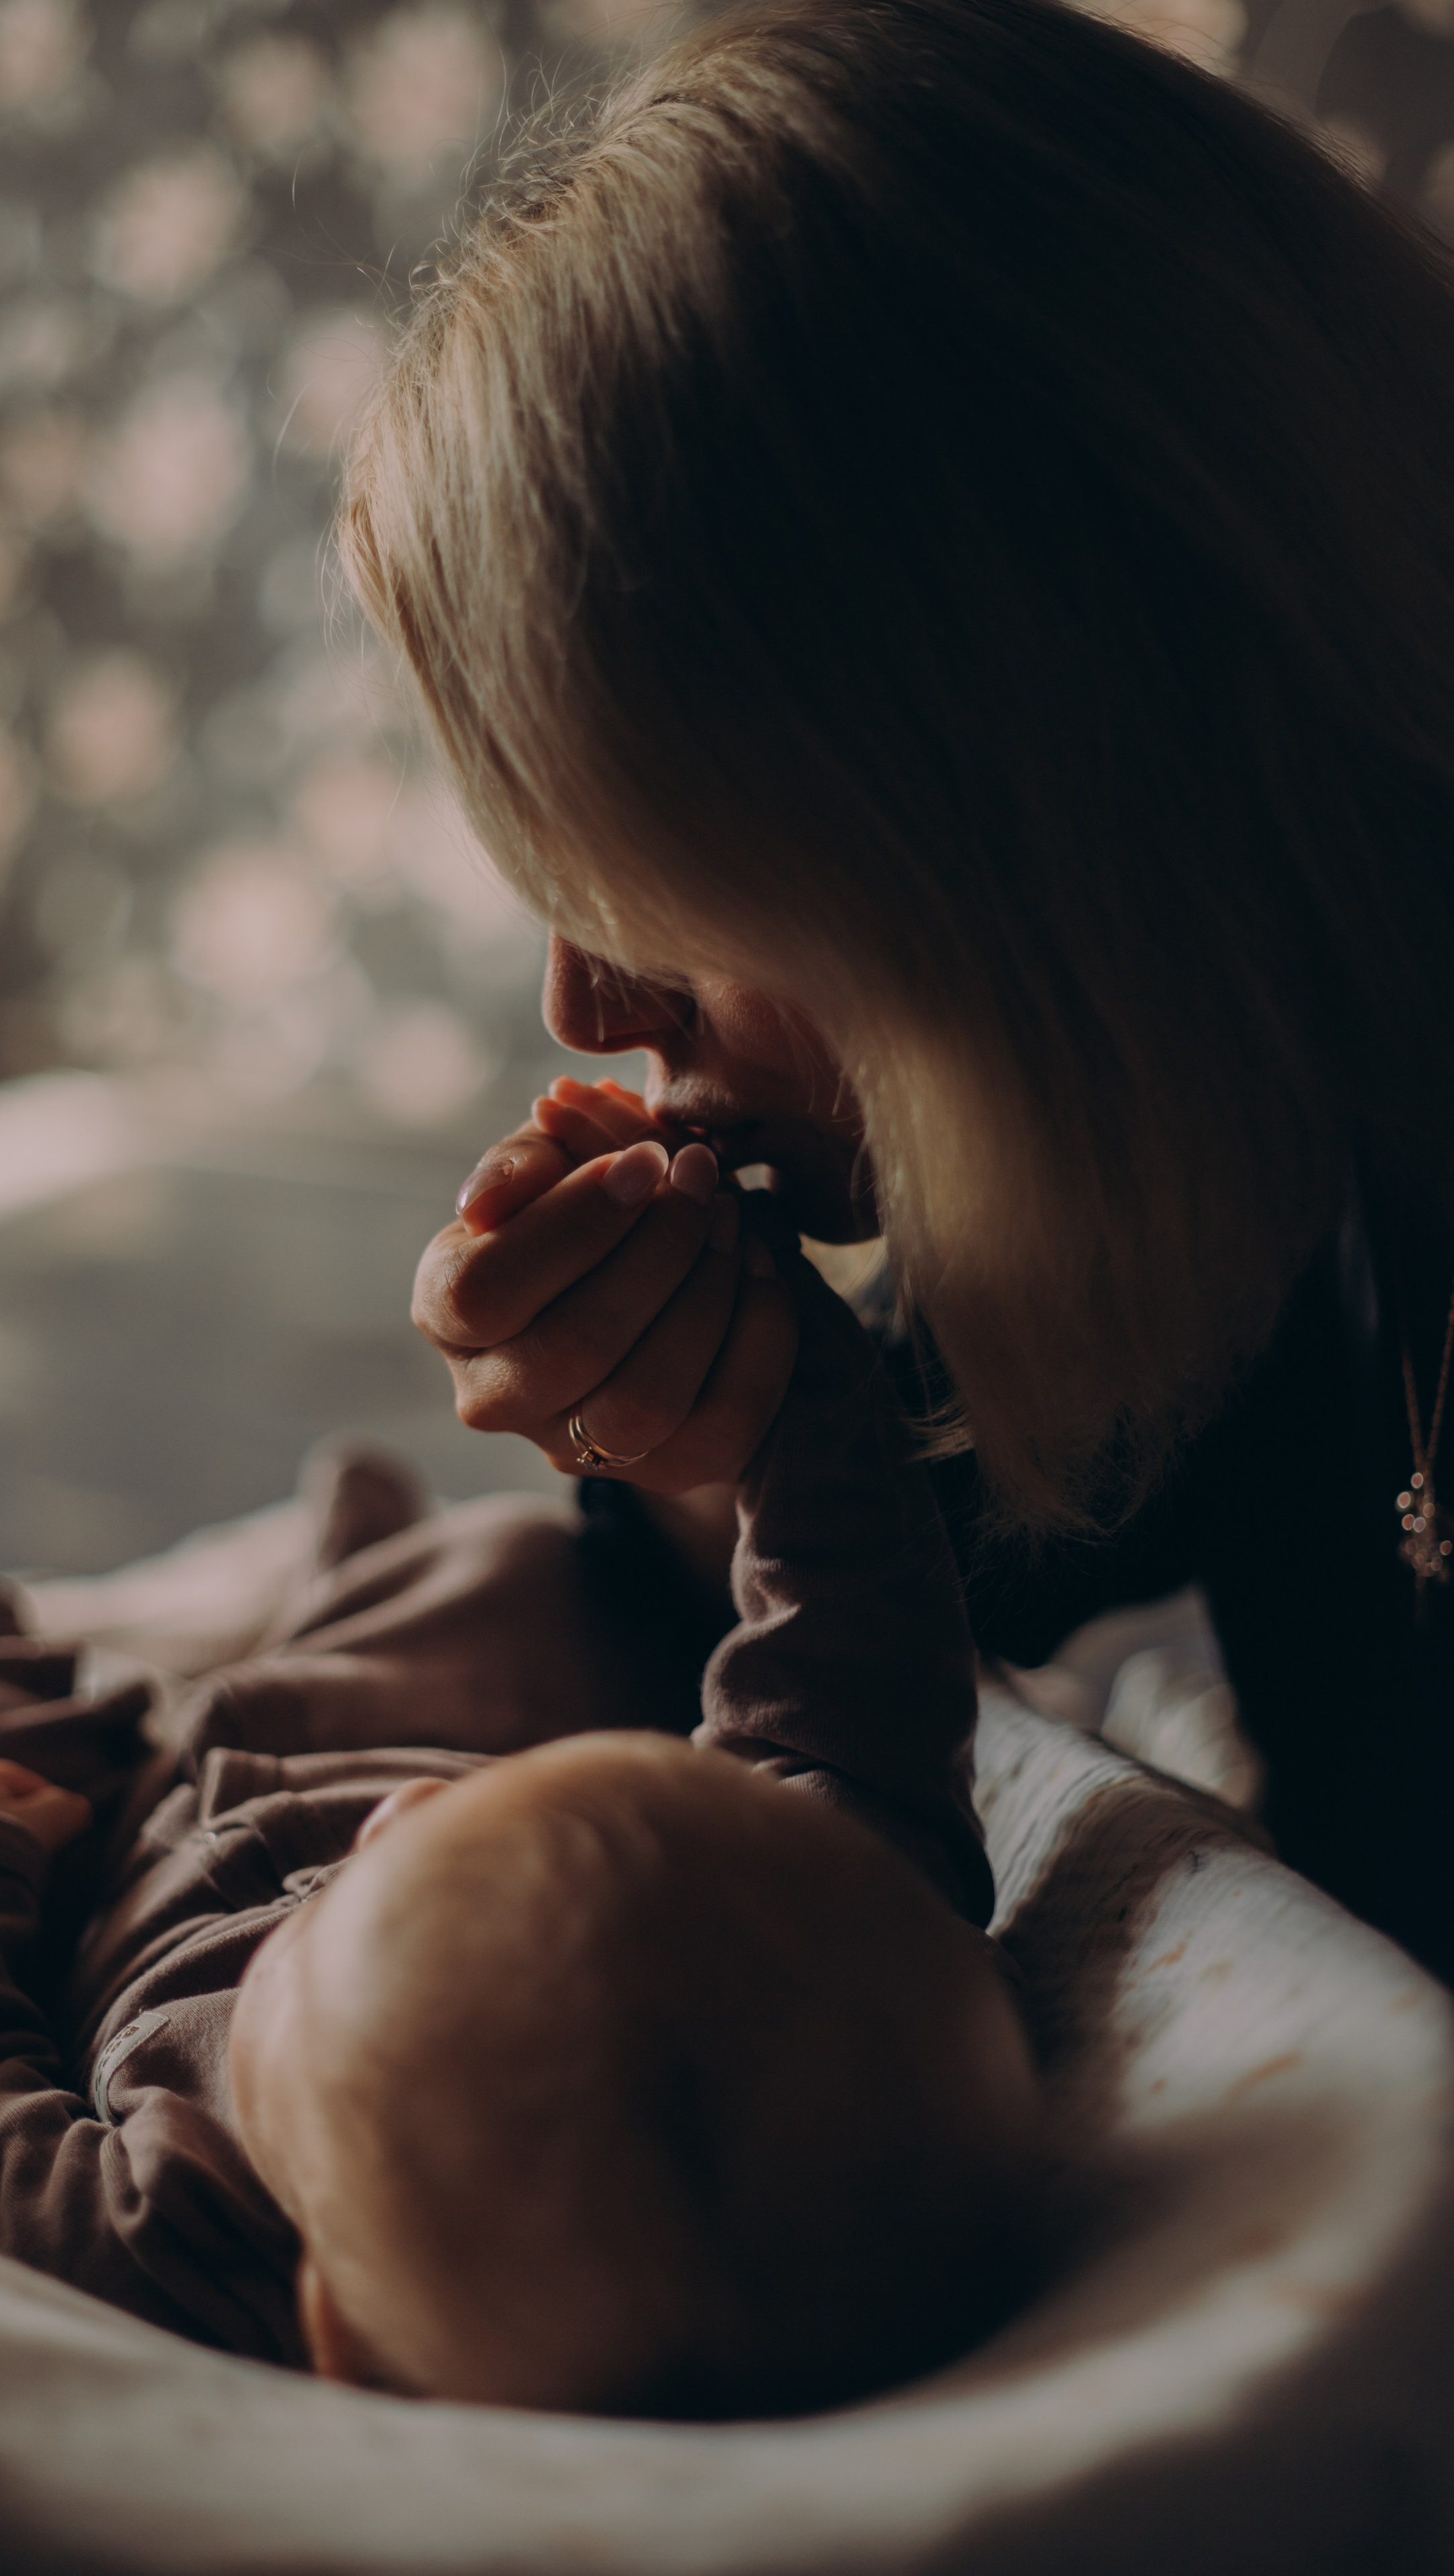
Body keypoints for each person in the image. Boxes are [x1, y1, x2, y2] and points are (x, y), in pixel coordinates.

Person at [345, 0, 1454, 1982]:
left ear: (1023, 783)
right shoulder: (1236, 1109)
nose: (590, 1010)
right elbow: (967, 1527)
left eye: (658, 885)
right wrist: (715, 1442)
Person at [0, 1204, 1035, 2417]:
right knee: (525, 1579)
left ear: (332, 2328)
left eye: (350, 1911)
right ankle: (369, 1566)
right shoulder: (845, 1930)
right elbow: (855, 1662)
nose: (401, 1817)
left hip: (88, 1853)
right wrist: (804, 1377)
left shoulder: (179, 2245)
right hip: (415, 1714)